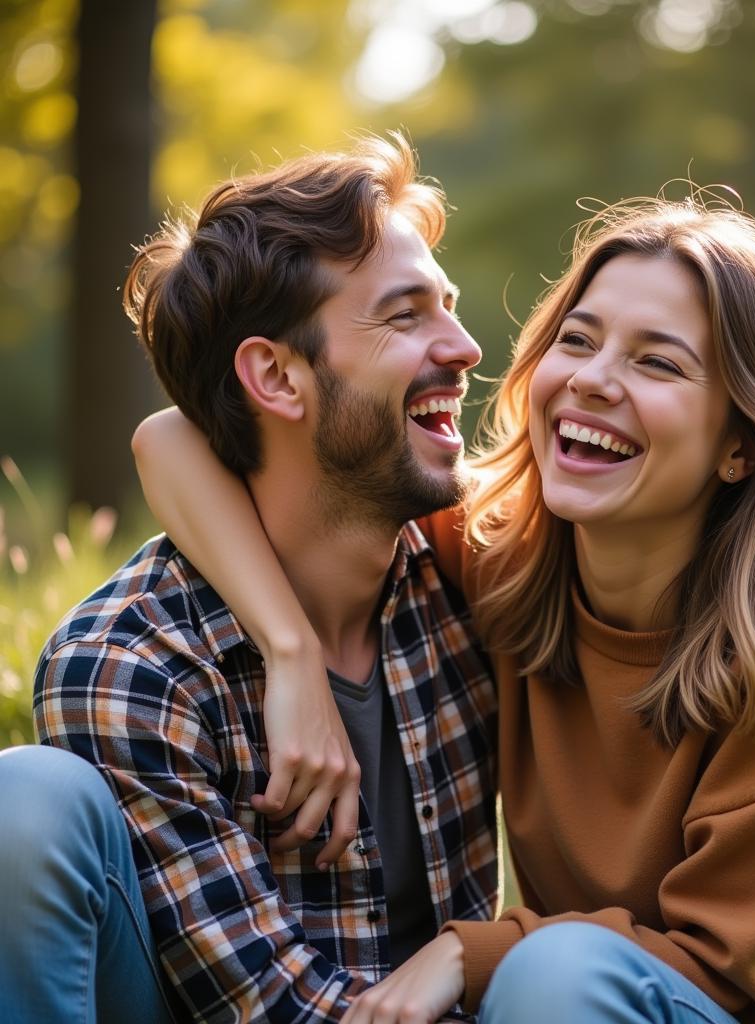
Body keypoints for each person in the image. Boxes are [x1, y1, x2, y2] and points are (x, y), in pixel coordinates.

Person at [133, 195, 755, 1023]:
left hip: (745, 1006)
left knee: (556, 977)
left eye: (657, 363)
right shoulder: (510, 555)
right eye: (577, 340)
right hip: (563, 994)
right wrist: (290, 652)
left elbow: (732, 975)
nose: (592, 379)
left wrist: (473, 951)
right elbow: (167, 438)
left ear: (740, 444)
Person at [2, 135, 499, 1024]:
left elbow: (165, 433)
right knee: (24, 803)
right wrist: (286, 647)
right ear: (275, 375)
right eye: (405, 315)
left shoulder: (472, 571)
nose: (464, 348)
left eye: (449, 307)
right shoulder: (134, 667)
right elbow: (271, 1009)